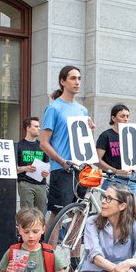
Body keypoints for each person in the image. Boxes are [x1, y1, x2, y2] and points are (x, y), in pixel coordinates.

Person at [41, 66, 95, 222]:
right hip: (62, 169)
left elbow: (84, 144)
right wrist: (62, 161)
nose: (77, 82)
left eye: (79, 78)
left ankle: (76, 248)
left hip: (81, 168)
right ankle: (51, 247)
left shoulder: (83, 110)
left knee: (79, 214)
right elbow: (44, 143)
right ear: (62, 81)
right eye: (73, 78)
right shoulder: (53, 108)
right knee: (58, 215)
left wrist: (90, 131)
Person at [0, 208, 78, 272]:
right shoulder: (13, 251)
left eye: (35, 232)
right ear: (19, 230)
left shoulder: (49, 251)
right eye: (26, 232)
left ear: (43, 230)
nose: (31, 236)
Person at [97, 104, 135, 190]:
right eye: (122, 116)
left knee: (131, 203)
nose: (126, 119)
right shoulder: (106, 135)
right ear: (113, 118)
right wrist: (116, 171)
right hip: (113, 178)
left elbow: (135, 159)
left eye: (127, 116)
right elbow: (97, 160)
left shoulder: (131, 135)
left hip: (130, 178)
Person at [16, 117, 49, 213]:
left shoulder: (42, 146)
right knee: (27, 213)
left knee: (40, 213)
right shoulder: (19, 146)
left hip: (41, 183)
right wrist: (25, 168)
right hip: (25, 182)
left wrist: (47, 171)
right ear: (28, 128)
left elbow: (47, 164)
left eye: (39, 126)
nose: (39, 128)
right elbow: (13, 169)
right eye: (36, 126)